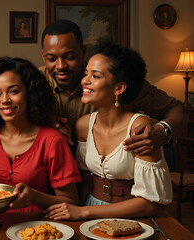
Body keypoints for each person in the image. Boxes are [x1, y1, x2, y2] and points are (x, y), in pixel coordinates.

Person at [44, 43, 172, 220]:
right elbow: (87, 181)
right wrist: (80, 217)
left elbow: (150, 204)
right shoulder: (84, 125)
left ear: (119, 88)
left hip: (132, 216)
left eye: (95, 76)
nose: (85, 81)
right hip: (89, 211)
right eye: (86, 73)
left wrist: (84, 212)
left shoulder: (139, 127)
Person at [40, 19, 188, 154]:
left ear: (83, 51)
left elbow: (177, 110)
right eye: (52, 59)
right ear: (43, 56)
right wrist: (41, 124)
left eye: (69, 57)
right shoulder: (30, 81)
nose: (61, 66)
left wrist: (163, 131)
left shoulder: (115, 80)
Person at [0, 57, 81, 212]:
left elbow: (71, 202)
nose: (5, 100)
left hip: (35, 230)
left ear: (30, 93)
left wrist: (34, 196)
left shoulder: (51, 140)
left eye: (13, 91)